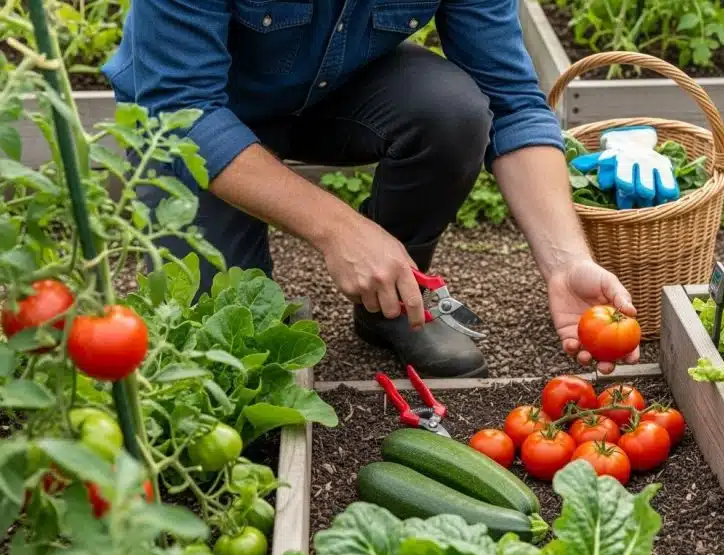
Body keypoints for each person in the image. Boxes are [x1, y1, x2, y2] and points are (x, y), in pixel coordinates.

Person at [102, 0, 643, 378]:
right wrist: (340, 229)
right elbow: (183, 110)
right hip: (195, 123)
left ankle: (391, 304)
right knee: (222, 345)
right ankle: (336, 284)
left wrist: (564, 261)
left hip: (334, 94)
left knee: (452, 112)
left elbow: (512, 101)